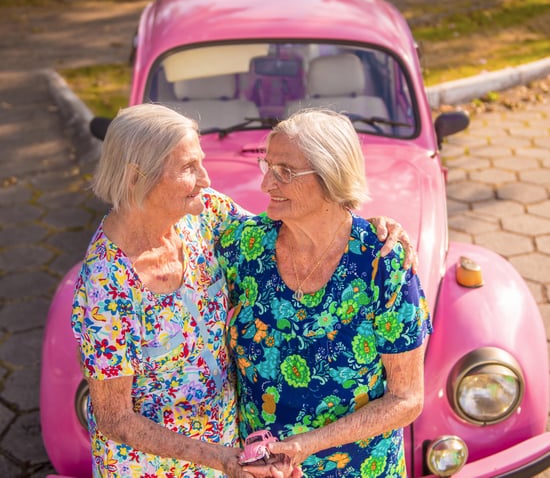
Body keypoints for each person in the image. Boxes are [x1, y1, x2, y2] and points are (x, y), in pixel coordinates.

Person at [71, 104, 417, 477]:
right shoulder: (106, 283)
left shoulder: (203, 218)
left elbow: (313, 225)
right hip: (155, 468)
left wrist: (368, 229)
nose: (206, 179)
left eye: (200, 162)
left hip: (243, 457)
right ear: (137, 177)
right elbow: (113, 417)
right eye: (188, 168)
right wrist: (222, 459)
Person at [217, 108, 432, 477]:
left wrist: (305, 446)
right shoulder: (245, 245)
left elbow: (406, 399)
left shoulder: (381, 263)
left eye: (284, 172)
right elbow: (178, 216)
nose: (266, 185)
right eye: (267, 166)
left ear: (331, 176)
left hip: (362, 469)